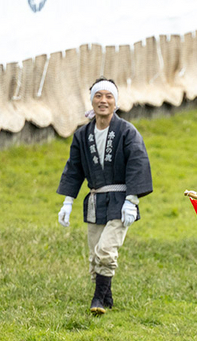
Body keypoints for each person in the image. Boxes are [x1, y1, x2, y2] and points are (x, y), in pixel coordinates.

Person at [56, 78, 153, 314]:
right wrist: (68, 202)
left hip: (121, 201)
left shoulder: (126, 131)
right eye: (98, 96)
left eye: (108, 96)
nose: (103, 101)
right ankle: (107, 298)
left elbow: (138, 164)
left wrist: (132, 200)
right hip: (95, 200)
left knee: (106, 251)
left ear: (115, 102)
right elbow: (74, 168)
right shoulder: (82, 135)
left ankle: (97, 300)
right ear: (92, 100)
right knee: (94, 257)